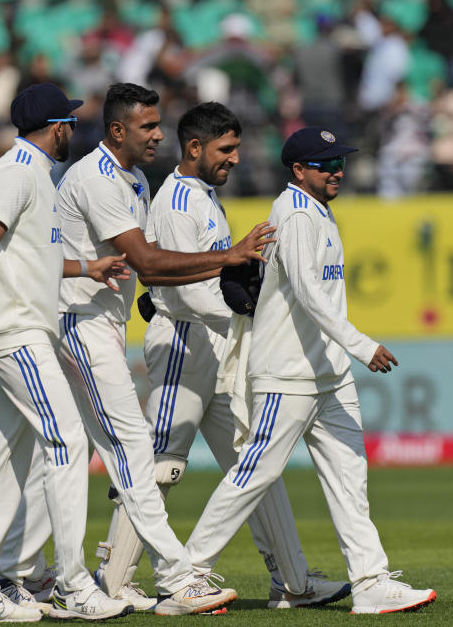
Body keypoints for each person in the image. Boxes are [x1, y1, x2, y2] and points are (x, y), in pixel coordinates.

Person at [94, 101, 352, 610]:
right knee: (161, 466)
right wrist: (246, 310)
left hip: (218, 347)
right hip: (183, 346)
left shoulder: (205, 196)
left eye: (236, 148)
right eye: (226, 149)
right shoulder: (175, 201)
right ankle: (113, 583)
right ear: (195, 148)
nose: (235, 158)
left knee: (254, 465)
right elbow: (182, 291)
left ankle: (293, 583)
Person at [183, 127, 438, 615]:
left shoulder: (318, 211)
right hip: (288, 371)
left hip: (328, 372)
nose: (337, 170)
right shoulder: (295, 213)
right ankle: (187, 574)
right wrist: (362, 345)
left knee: (349, 475)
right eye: (326, 164)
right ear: (299, 171)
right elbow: (306, 290)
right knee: (256, 472)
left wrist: (344, 355)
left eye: (339, 161)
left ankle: (369, 581)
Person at [53, 82, 272, 616]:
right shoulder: (101, 179)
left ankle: (38, 579)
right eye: (148, 127)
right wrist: (229, 259)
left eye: (158, 124)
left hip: (100, 324)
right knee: (136, 454)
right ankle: (174, 580)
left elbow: (149, 266)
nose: (158, 134)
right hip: (79, 323)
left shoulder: (131, 178)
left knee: (61, 457)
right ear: (117, 130)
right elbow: (150, 265)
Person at [0, 83, 134, 623]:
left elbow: (27, 257)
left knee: (2, 465)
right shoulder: (17, 170)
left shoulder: (37, 175)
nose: (75, 127)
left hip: (20, 331)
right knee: (69, 441)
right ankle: (71, 584)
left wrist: (86, 267)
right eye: (70, 120)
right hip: (14, 333)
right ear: (56, 127)